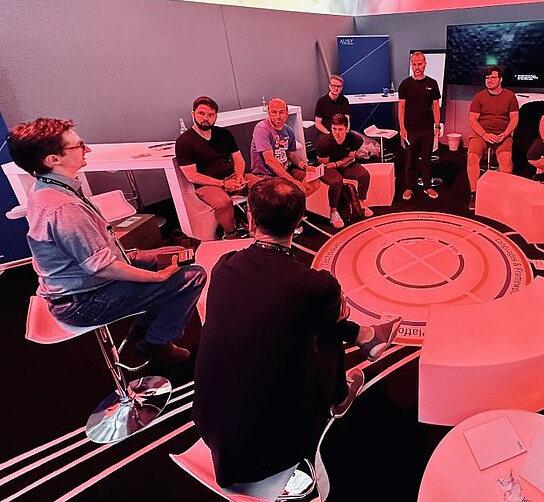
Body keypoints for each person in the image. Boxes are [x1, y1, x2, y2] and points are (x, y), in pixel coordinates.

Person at [193, 178, 402, 497]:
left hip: (209, 426)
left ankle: (367, 338)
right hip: (274, 448)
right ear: (299, 221)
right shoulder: (316, 285)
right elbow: (325, 314)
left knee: (301, 318)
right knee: (322, 327)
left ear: (250, 219)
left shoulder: (224, 266)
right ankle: (345, 383)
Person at [7, 118, 206, 363]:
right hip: (82, 302)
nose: (87, 149)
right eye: (79, 145)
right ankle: (156, 343)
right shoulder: (64, 209)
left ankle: (144, 328)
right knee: (192, 276)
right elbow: (103, 267)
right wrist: (156, 277)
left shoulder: (46, 186)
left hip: (84, 281)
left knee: (175, 254)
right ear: (53, 159)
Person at [175, 96, 261, 239]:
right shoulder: (184, 141)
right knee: (223, 203)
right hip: (207, 184)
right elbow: (191, 175)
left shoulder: (224, 133)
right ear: (193, 114)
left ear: (216, 116)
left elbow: (238, 158)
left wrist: (239, 176)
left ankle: (255, 224)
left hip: (232, 176)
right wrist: (223, 184)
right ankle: (231, 233)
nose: (205, 118)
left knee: (263, 187)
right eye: (201, 113)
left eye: (210, 115)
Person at [467, 65, 519, 210]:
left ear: (500, 79)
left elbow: (514, 118)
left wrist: (505, 134)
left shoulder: (510, 96)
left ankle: (503, 194)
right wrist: (484, 134)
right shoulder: (479, 96)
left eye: (493, 77)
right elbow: (472, 120)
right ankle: (474, 193)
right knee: (472, 157)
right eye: (487, 78)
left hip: (503, 134)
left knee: (506, 158)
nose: (489, 80)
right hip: (481, 134)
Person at [251, 97, 321, 197]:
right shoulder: (261, 128)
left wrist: (305, 166)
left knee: (314, 183)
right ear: (268, 113)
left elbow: (291, 155)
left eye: (281, 112)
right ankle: (292, 204)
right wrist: (292, 181)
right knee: (291, 191)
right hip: (266, 175)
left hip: (286, 169)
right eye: (274, 112)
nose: (278, 116)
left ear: (287, 113)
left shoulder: (288, 130)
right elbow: (270, 160)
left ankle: (295, 204)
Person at [398, 51, 442, 201]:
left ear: (425, 64)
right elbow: (401, 108)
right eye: (414, 64)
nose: (417, 67)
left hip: (427, 129)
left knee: (427, 160)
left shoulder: (432, 83)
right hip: (410, 129)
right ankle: (409, 187)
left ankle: (427, 186)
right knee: (410, 160)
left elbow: (436, 107)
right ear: (411, 65)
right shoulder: (405, 84)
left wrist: (437, 126)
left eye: (419, 64)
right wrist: (402, 128)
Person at [316, 114, 374, 228]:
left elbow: (351, 157)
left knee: (364, 175)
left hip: (343, 163)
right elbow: (326, 164)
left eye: (340, 129)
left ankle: (360, 203)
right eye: (334, 129)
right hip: (328, 166)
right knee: (336, 181)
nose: (337, 133)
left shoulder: (355, 139)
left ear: (347, 129)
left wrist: (339, 163)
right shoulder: (323, 144)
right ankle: (333, 212)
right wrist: (339, 164)